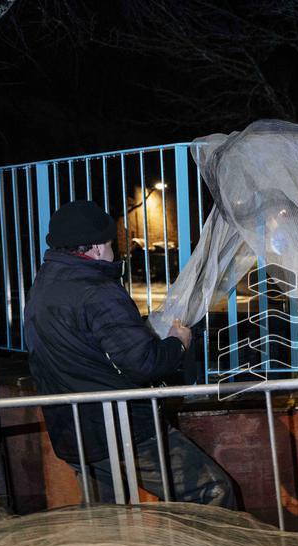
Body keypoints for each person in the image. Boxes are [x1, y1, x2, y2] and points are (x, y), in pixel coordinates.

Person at [24, 200, 237, 508]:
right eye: (112, 243)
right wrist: (178, 342)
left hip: (71, 432)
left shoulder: (44, 285)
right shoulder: (98, 291)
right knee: (211, 491)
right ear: (97, 248)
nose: (116, 251)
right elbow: (144, 363)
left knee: (107, 521)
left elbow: (84, 349)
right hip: (122, 430)